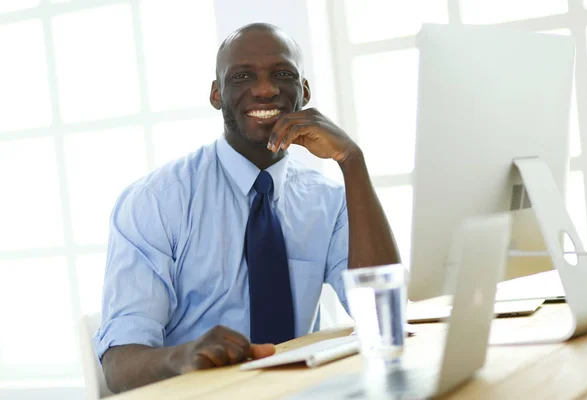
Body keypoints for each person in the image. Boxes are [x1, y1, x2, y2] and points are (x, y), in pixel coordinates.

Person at [93, 22, 400, 393]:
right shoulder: (157, 201)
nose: (266, 89)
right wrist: (186, 356)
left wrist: (351, 160)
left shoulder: (328, 200)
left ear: (303, 90)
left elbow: (384, 316)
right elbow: (118, 365)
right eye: (242, 77)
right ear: (216, 94)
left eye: (282, 74)